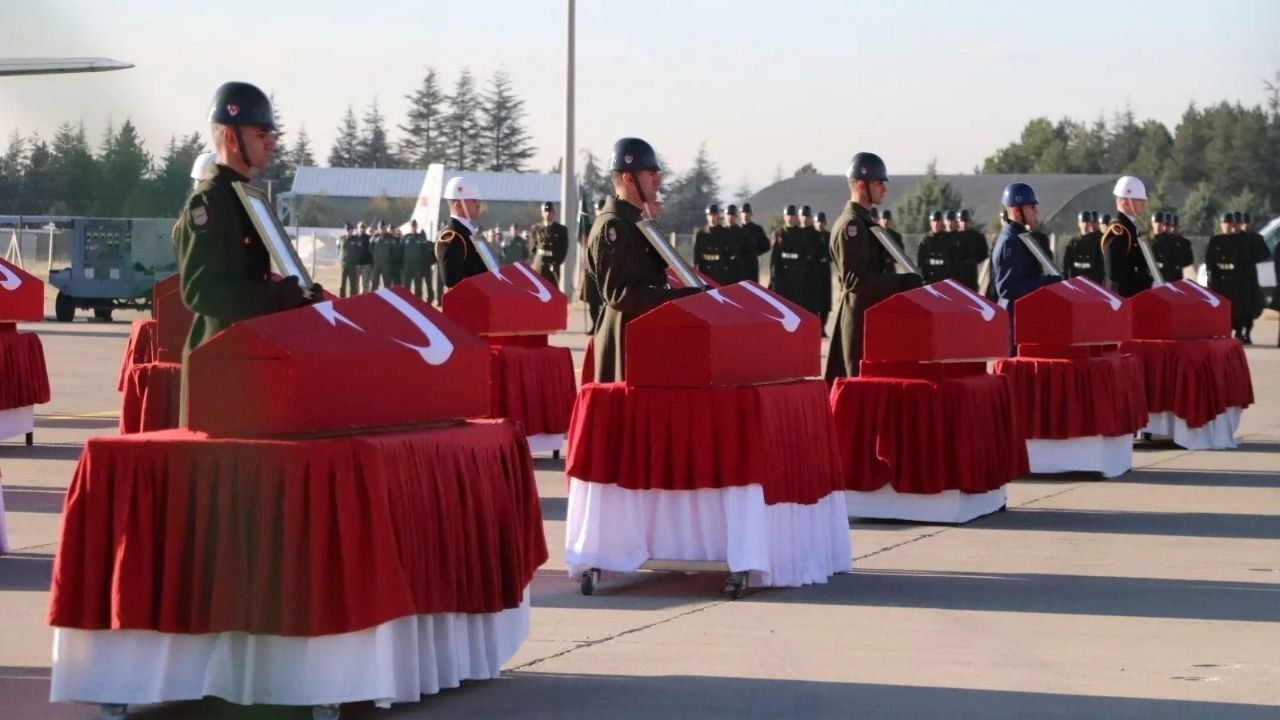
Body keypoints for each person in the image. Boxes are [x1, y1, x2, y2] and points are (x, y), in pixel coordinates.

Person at [173, 81, 317, 427]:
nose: (272, 142)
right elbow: (200, 291)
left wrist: (299, 298)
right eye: (261, 134)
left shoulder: (242, 195)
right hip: (218, 365)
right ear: (231, 138)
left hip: (243, 361)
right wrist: (276, 297)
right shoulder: (210, 201)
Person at [585, 137, 701, 381]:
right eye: (651, 174)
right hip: (625, 342)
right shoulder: (614, 226)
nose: (658, 181)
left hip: (642, 338)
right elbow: (621, 295)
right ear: (629, 178)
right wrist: (681, 297)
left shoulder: (634, 222)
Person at [826, 152, 923, 381]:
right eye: (879, 183)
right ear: (862, 185)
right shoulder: (852, 225)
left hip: (871, 317)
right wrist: (901, 282)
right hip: (859, 321)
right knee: (859, 385)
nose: (884, 189)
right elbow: (855, 280)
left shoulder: (864, 222)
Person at [991, 182, 1060, 341]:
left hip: (1024, 319)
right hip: (1014, 324)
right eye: (1031, 207)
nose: (1036, 211)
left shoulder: (1020, 236)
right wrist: (1045, 282)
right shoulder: (1010, 241)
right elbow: (1006, 287)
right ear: (1017, 210)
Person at [1101, 176, 1153, 297]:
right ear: (1125, 202)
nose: (1143, 204)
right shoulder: (1119, 231)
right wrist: (1148, 283)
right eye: (1139, 200)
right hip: (1120, 297)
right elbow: (1114, 272)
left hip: (1132, 296)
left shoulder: (1131, 227)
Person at [436, 175, 490, 288]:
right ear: (458, 204)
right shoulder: (452, 236)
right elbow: (450, 279)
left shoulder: (469, 231)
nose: (478, 205)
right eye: (474, 200)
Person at [769, 204, 809, 308]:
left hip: (797, 278)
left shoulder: (802, 234)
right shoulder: (778, 234)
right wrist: (774, 279)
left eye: (792, 216)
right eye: (788, 216)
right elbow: (774, 259)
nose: (790, 218)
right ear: (784, 217)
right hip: (783, 278)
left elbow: (806, 256)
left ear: (796, 217)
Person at [578, 198, 606, 333]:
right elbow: (584, 242)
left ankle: (603, 325)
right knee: (592, 299)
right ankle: (595, 324)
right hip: (591, 268)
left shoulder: (609, 226)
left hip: (605, 269)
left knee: (605, 300)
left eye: (601, 209)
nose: (599, 212)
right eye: (597, 209)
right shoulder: (589, 227)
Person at [694, 204, 737, 285]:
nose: (712, 218)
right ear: (707, 217)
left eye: (714, 215)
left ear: (718, 216)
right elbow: (697, 252)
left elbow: (732, 252)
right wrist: (696, 266)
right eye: (710, 215)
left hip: (720, 272)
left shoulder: (725, 233)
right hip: (705, 271)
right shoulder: (701, 233)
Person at [531, 200, 569, 285]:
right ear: (542, 213)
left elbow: (563, 250)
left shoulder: (561, 230)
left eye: (549, 211)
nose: (547, 214)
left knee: (551, 289)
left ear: (553, 213)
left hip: (552, 267)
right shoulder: (536, 229)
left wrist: (556, 263)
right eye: (545, 211)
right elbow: (532, 249)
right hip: (539, 266)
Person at [1151, 210, 1193, 283]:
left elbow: (1186, 260)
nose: (1172, 229)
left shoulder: (1176, 242)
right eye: (1168, 225)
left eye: (1173, 226)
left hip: (1171, 277)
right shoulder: (1151, 240)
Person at [1063, 211, 1105, 283]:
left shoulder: (1097, 241)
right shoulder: (1073, 242)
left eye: (1087, 222)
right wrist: (1066, 277)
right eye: (1083, 222)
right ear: (1079, 224)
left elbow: (1101, 263)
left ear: (1091, 223)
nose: (1085, 225)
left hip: (1093, 281)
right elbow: (1067, 262)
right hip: (1077, 280)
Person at [917, 210, 958, 283]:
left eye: (938, 221)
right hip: (930, 278)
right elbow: (920, 262)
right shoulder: (925, 240)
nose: (936, 224)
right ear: (930, 223)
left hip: (945, 278)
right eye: (934, 221)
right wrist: (923, 278)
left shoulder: (948, 239)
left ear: (942, 223)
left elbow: (954, 261)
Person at [954, 209, 988, 291]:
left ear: (969, 221)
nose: (963, 224)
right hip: (957, 273)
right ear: (958, 222)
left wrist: (973, 261)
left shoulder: (977, 237)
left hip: (972, 272)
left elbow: (983, 253)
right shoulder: (953, 237)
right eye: (961, 221)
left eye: (966, 221)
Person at [739, 202, 771, 283]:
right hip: (739, 266)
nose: (745, 215)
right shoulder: (737, 230)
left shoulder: (757, 229)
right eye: (743, 213)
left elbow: (766, 245)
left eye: (747, 213)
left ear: (751, 214)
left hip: (752, 265)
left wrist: (755, 252)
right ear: (740, 214)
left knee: (752, 286)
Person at [401, 218, 428, 298]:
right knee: (406, 286)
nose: (413, 227)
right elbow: (400, 251)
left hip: (417, 266)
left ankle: (418, 301)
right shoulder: (405, 237)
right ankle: (406, 301)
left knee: (418, 286)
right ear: (410, 226)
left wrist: (423, 264)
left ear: (417, 226)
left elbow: (425, 252)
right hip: (407, 266)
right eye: (412, 225)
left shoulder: (421, 238)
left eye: (415, 225)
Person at [338, 221, 361, 297]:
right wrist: (341, 259)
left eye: (350, 229)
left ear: (352, 230)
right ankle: (342, 298)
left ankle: (353, 298)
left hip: (352, 265)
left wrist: (357, 261)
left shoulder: (356, 239)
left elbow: (359, 251)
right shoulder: (341, 239)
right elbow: (338, 250)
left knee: (353, 284)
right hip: (344, 264)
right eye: (347, 229)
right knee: (342, 283)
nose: (348, 231)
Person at [356, 219, 375, 293]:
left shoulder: (369, 238)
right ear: (357, 228)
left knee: (365, 285)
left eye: (363, 227)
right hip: (356, 264)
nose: (362, 229)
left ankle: (364, 298)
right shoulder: (354, 238)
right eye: (361, 227)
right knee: (355, 285)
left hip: (366, 264)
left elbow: (372, 250)